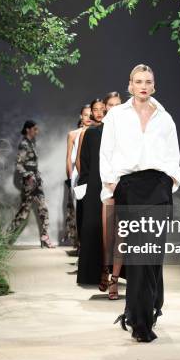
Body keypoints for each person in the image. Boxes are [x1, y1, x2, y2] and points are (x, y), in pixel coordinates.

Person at [100, 65, 180, 342]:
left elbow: (173, 155)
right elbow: (107, 152)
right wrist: (111, 185)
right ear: (130, 85)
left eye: (148, 81)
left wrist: (170, 181)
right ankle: (139, 320)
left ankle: (147, 309)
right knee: (137, 257)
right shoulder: (116, 116)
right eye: (138, 81)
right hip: (131, 188)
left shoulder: (165, 118)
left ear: (154, 85)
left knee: (153, 257)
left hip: (158, 188)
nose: (143, 85)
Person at [8, 120, 55, 248]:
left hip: (36, 181)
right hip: (29, 183)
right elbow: (19, 165)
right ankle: (7, 239)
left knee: (43, 209)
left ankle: (44, 238)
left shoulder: (31, 143)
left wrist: (36, 175)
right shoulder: (24, 144)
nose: (37, 131)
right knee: (24, 213)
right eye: (35, 129)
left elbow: (33, 164)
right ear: (28, 129)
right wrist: (28, 176)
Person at [75, 99, 106, 285]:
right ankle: (99, 272)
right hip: (93, 184)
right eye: (97, 109)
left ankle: (111, 273)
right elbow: (81, 159)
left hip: (113, 183)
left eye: (104, 109)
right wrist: (84, 183)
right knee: (95, 227)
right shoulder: (90, 133)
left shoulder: (113, 132)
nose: (101, 112)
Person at [99, 92, 123, 299]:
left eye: (118, 104)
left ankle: (114, 280)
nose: (114, 108)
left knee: (122, 237)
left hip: (127, 188)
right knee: (108, 238)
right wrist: (110, 183)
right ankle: (105, 270)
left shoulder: (129, 127)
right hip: (108, 187)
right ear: (106, 107)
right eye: (111, 105)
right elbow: (103, 158)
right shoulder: (103, 128)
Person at [62, 105, 91, 247]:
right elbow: (68, 158)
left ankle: (87, 247)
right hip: (77, 175)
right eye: (86, 115)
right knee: (78, 210)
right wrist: (69, 179)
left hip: (92, 174)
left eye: (90, 114)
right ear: (81, 116)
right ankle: (80, 245)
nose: (88, 117)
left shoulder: (96, 133)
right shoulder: (73, 134)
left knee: (89, 211)